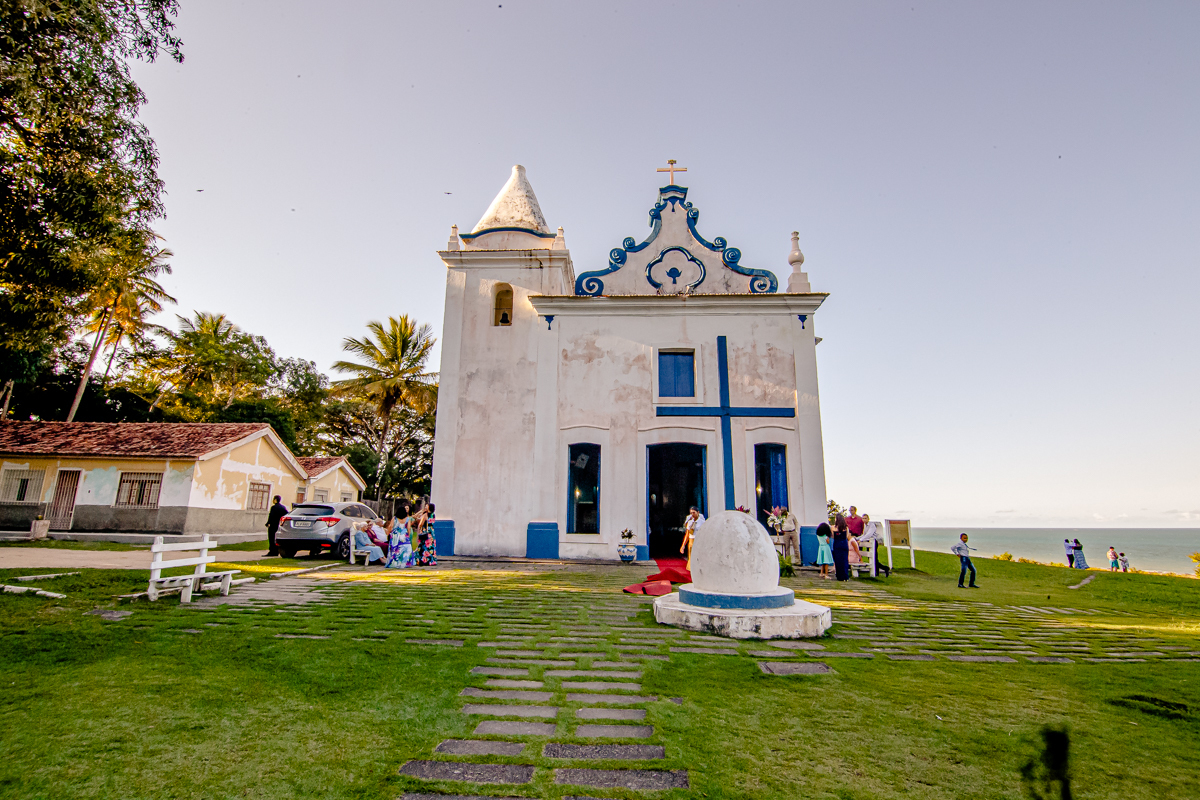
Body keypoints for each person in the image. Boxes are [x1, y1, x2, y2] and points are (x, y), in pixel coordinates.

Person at [831, 514, 851, 581]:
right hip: (844, 544)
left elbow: (833, 536)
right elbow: (847, 536)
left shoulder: (833, 527)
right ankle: (845, 576)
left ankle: (840, 576)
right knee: (844, 560)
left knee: (838, 560)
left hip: (837, 544)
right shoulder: (846, 528)